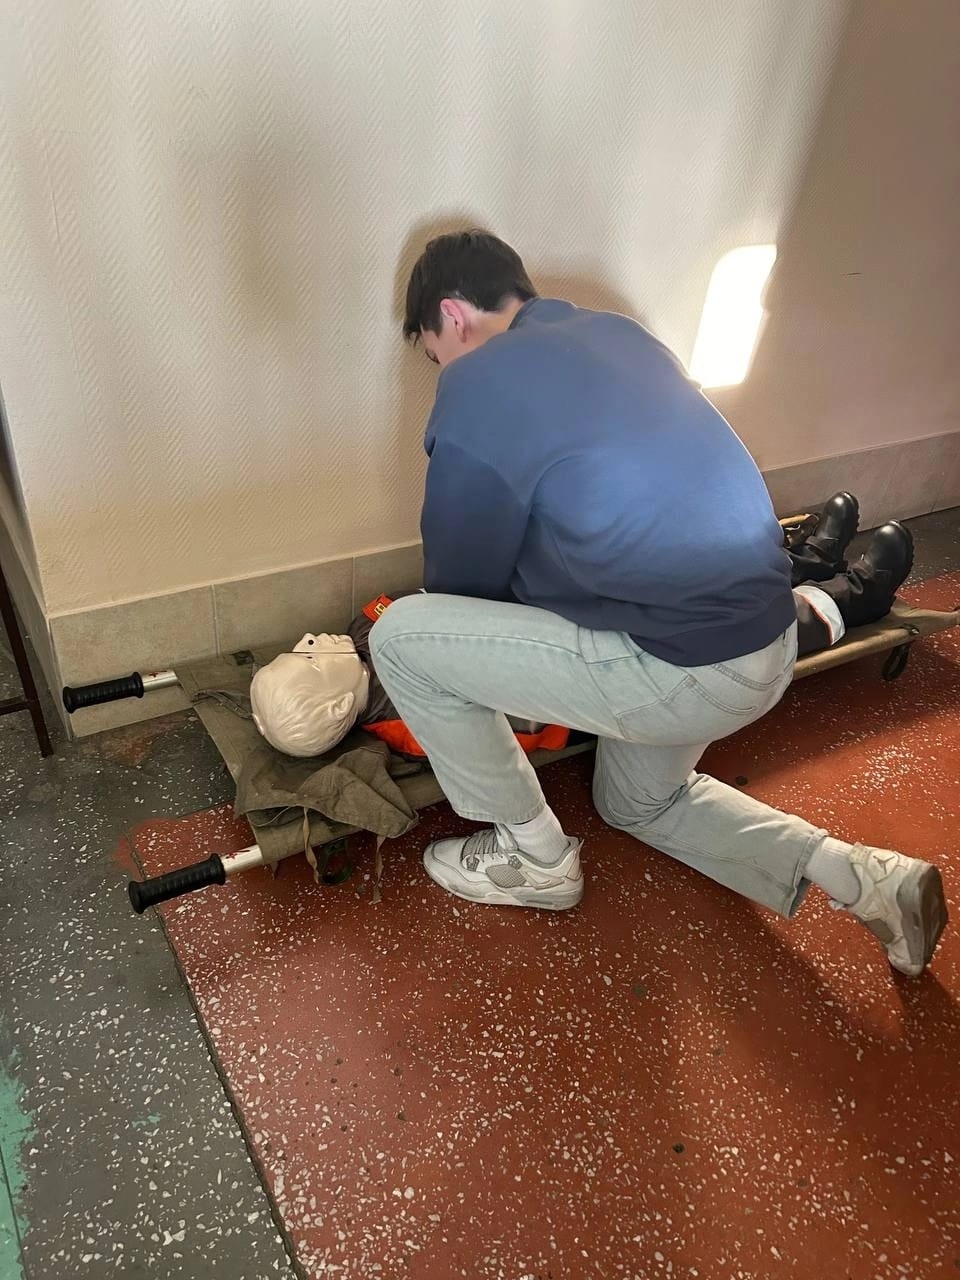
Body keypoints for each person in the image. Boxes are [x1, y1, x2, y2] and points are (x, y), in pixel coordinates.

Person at [367, 230, 948, 977]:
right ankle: (866, 879)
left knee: (403, 638)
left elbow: (458, 583)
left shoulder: (479, 379)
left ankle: (533, 859)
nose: (442, 370)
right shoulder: (618, 333)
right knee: (636, 803)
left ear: (452, 315)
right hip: (767, 641)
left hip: (686, 672)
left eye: (433, 354)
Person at [248, 494, 911, 759]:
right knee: (711, 644)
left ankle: (801, 562)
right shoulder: (412, 719)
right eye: (306, 660)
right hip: (589, 676)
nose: (307, 641)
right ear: (336, 705)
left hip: (554, 613)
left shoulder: (361, 633)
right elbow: (526, 717)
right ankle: (849, 600)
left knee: (673, 580)